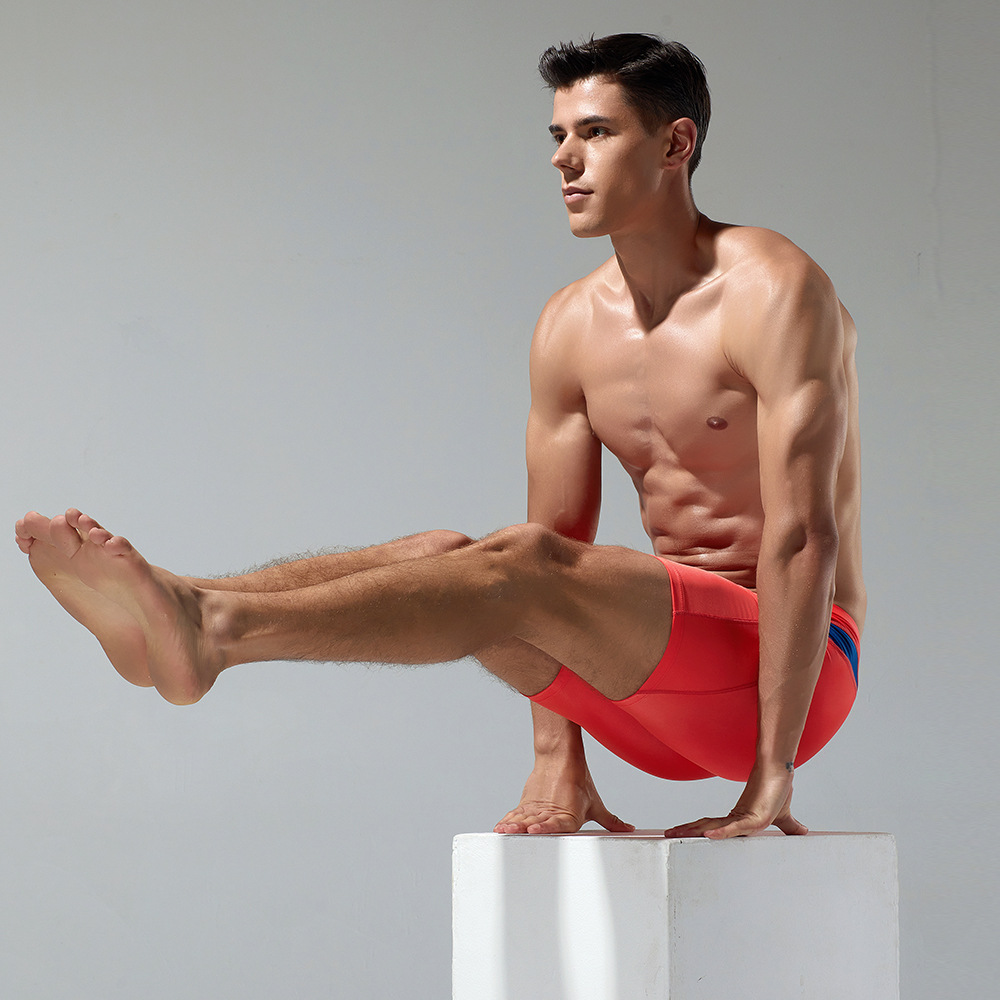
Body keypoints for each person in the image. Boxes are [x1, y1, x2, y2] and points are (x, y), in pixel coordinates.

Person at [15, 34, 864, 840]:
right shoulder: (571, 325)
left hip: (795, 676)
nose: (564, 160)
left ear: (675, 143)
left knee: (512, 564)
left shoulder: (772, 288)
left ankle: (214, 626)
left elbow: (802, 535)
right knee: (446, 555)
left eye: (596, 133)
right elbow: (558, 545)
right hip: (654, 697)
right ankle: (179, 598)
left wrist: (773, 773)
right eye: (558, 136)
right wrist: (556, 760)